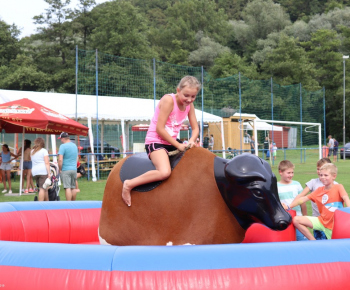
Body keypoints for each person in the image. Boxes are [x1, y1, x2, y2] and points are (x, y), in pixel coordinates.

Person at [122, 75, 200, 206]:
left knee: (197, 156)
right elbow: (159, 128)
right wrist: (178, 145)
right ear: (178, 90)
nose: (189, 99)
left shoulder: (189, 105)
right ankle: (129, 184)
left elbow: (195, 128)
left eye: (193, 97)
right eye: (186, 95)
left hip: (171, 142)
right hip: (156, 141)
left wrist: (192, 140)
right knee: (164, 172)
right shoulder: (169, 100)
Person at [288, 163, 350, 240]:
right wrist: (288, 206)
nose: (323, 177)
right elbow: (303, 199)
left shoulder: (338, 187)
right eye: (321, 175)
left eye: (326, 175)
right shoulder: (319, 190)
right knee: (296, 220)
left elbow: (345, 197)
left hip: (334, 226)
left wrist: (349, 209)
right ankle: (313, 241)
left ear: (334, 176)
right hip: (321, 222)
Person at [295, 158, 334, 240]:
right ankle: (313, 242)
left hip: (331, 222)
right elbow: (301, 195)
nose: (320, 171)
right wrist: (289, 205)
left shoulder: (336, 185)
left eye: (323, 169)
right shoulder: (313, 182)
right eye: (318, 169)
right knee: (320, 244)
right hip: (317, 221)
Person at [277, 160, 308, 241]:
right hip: (284, 221)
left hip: (298, 219)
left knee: (303, 241)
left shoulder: (296, 184)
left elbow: (303, 203)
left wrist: (305, 217)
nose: (291, 175)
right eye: (288, 173)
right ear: (280, 172)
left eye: (292, 172)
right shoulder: (276, 186)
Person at [58, 132, 79, 201]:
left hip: (66, 169)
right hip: (74, 169)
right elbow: (77, 158)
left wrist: (60, 169)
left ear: (63, 139)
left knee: (67, 187)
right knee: (73, 187)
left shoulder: (62, 146)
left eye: (61, 139)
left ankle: (68, 204)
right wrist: (74, 166)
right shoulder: (75, 146)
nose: (61, 140)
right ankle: (73, 203)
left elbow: (60, 160)